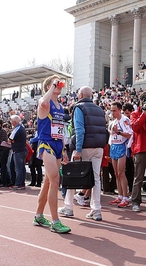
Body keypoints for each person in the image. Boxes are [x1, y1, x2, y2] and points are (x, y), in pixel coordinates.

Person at [58, 86, 106, 221]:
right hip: (98, 147)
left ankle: (68, 207)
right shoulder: (99, 109)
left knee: (72, 176)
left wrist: (78, 149)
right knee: (96, 179)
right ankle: (96, 210)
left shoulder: (79, 108)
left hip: (84, 146)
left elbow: (80, 130)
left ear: (80, 95)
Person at [34, 75, 70, 234]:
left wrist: (63, 150)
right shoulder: (45, 103)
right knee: (55, 179)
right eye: (56, 83)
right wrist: (53, 85)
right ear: (49, 86)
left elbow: (60, 130)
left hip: (57, 145)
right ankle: (55, 221)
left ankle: (38, 215)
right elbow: (43, 103)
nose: (59, 85)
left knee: (48, 182)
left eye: (60, 83)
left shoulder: (60, 106)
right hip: (46, 144)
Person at [108, 101, 133, 208]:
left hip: (122, 147)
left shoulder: (125, 120)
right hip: (113, 146)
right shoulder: (113, 122)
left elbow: (129, 134)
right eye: (111, 111)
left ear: (119, 110)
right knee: (116, 173)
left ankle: (125, 197)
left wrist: (118, 132)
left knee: (121, 173)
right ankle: (120, 195)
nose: (113, 113)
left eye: (114, 110)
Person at [8, 115, 27, 190]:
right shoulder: (22, 128)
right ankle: (22, 183)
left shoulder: (17, 128)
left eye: (11, 121)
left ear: (14, 122)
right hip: (22, 149)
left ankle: (19, 183)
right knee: (22, 167)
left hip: (18, 150)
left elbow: (10, 139)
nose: (11, 123)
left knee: (18, 168)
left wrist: (12, 141)